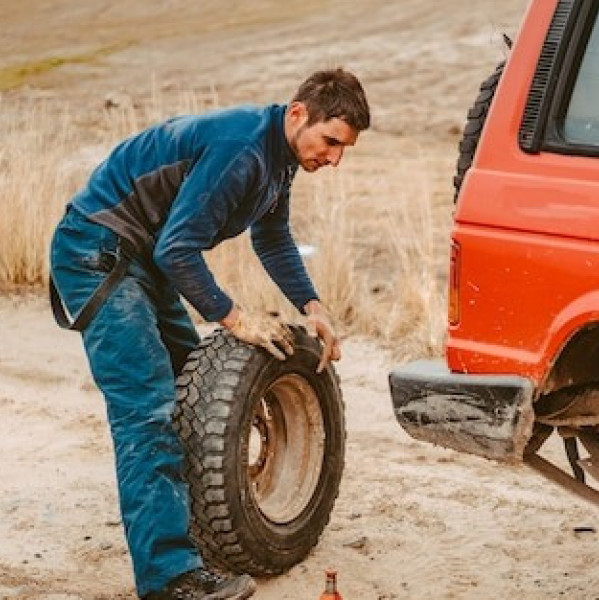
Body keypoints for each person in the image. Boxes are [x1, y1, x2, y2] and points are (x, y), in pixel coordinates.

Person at [48, 68, 369, 600]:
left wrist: (313, 306)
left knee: (191, 394)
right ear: (297, 114)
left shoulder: (279, 158)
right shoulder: (243, 148)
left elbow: (272, 238)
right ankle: (168, 578)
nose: (335, 158)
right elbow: (178, 249)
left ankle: (190, 533)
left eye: (345, 149)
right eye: (330, 140)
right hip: (96, 252)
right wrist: (235, 317)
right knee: (148, 411)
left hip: (142, 258)